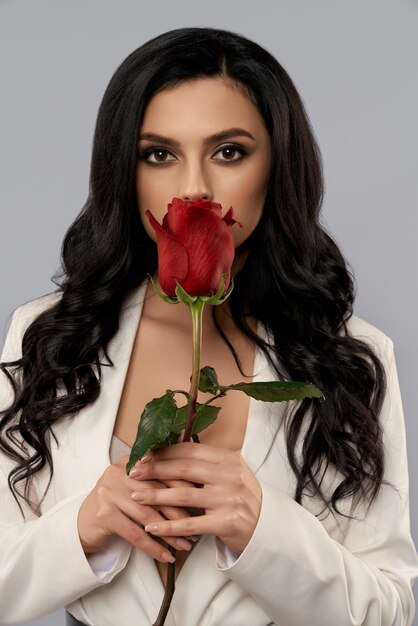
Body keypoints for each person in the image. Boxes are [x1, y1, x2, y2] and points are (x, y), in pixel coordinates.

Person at [0, 26, 417, 626]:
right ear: (126, 171)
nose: (194, 187)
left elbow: (392, 611)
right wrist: (82, 528)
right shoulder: (48, 336)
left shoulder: (349, 357)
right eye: (159, 154)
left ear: (276, 167)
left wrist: (263, 528)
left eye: (229, 152)